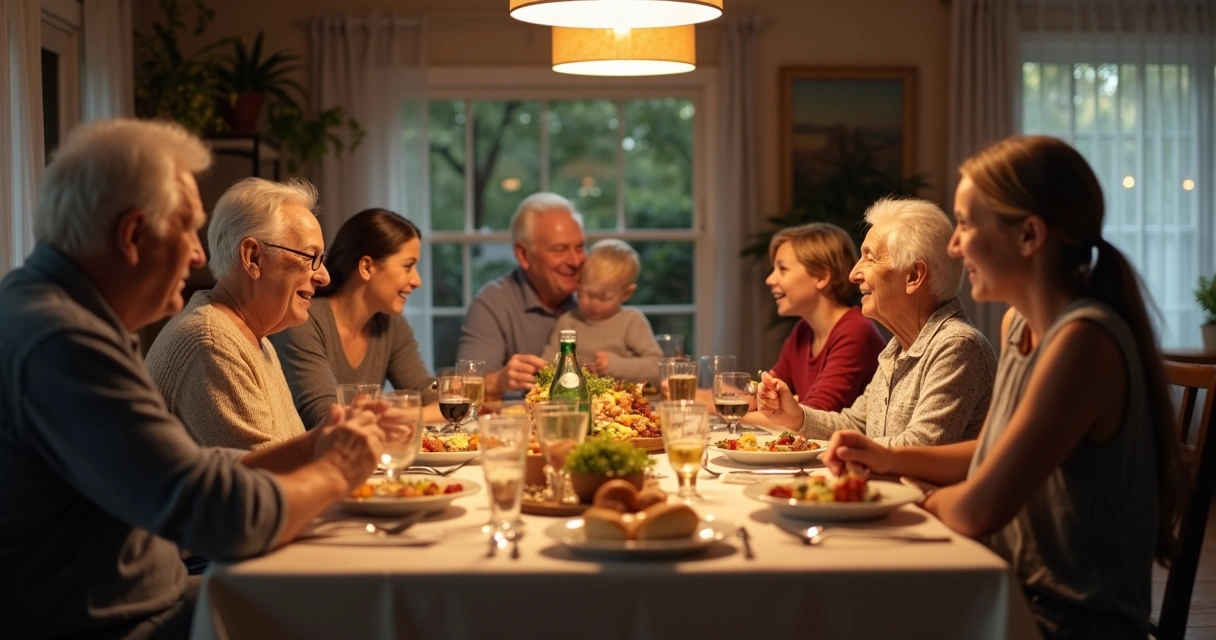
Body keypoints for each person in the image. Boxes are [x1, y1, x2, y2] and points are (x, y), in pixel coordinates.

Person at [0, 119, 383, 638]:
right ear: (133, 234)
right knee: (366, 609)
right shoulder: (63, 342)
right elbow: (220, 514)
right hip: (130, 623)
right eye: (185, 227)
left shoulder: (54, 314)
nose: (201, 253)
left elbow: (187, 467)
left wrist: (316, 448)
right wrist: (338, 469)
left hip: (155, 600)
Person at [820, 136, 1185, 639]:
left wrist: (913, 497)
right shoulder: (1019, 325)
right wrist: (888, 459)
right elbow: (986, 454)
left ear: (1030, 235)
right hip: (1009, 583)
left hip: (1062, 617)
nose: (953, 245)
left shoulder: (1083, 342)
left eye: (966, 224)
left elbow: (977, 509)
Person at [757, 197, 997, 447]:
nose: (853, 274)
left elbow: (921, 445)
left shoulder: (957, 345)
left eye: (869, 258)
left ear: (913, 276)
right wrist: (797, 417)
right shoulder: (897, 347)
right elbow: (857, 425)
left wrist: (845, 447)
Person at [146, 177, 329, 449]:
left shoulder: (256, 338)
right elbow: (268, 482)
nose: (323, 276)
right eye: (309, 256)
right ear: (253, 257)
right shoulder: (211, 344)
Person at [272, 208, 444, 427]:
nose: (417, 280)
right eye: (407, 266)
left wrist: (405, 412)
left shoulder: (390, 324)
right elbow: (325, 416)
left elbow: (431, 395)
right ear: (366, 267)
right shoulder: (304, 320)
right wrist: (407, 412)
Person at [456, 192, 586, 396]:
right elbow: (464, 389)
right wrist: (499, 380)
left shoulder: (597, 295)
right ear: (523, 255)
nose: (575, 261)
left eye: (579, 247)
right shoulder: (492, 303)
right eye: (560, 250)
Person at [763, 223, 886, 412]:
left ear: (821, 277)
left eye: (783, 269)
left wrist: (731, 412)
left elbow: (814, 416)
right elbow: (769, 398)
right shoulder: (802, 331)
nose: (770, 280)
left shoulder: (855, 331)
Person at [540, 239, 663, 385]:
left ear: (627, 294)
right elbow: (548, 365)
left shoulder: (631, 320)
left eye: (605, 298)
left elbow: (657, 367)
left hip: (624, 402)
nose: (594, 304)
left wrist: (616, 365)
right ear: (578, 284)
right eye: (588, 294)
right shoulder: (568, 321)